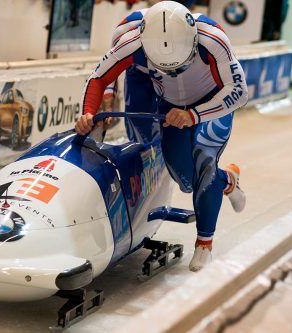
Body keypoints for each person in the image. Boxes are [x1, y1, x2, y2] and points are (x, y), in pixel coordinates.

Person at [75, 1, 247, 271]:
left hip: (213, 103)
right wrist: (88, 112)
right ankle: (228, 180)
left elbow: (238, 91)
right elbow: (99, 78)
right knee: (185, 179)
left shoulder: (213, 39)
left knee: (204, 159)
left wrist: (194, 115)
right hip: (170, 105)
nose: (173, 72)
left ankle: (204, 243)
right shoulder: (130, 39)